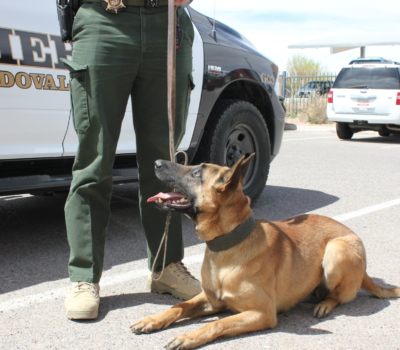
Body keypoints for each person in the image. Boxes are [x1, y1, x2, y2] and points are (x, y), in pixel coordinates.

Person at [61, 0, 201, 320]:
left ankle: (165, 266)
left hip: (167, 23)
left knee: (163, 163)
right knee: (94, 161)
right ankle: (84, 276)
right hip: (104, 18)